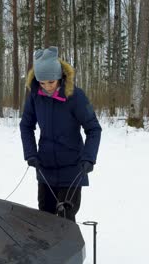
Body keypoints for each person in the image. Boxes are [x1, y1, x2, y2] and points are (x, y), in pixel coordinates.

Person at [20, 46, 102, 222]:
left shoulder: (76, 97)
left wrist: (89, 158)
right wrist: (31, 154)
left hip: (73, 168)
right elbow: (26, 125)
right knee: (45, 216)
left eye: (51, 82)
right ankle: (45, 249)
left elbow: (94, 129)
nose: (47, 87)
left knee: (65, 217)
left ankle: (70, 250)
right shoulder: (35, 96)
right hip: (45, 167)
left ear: (59, 77)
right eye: (42, 83)